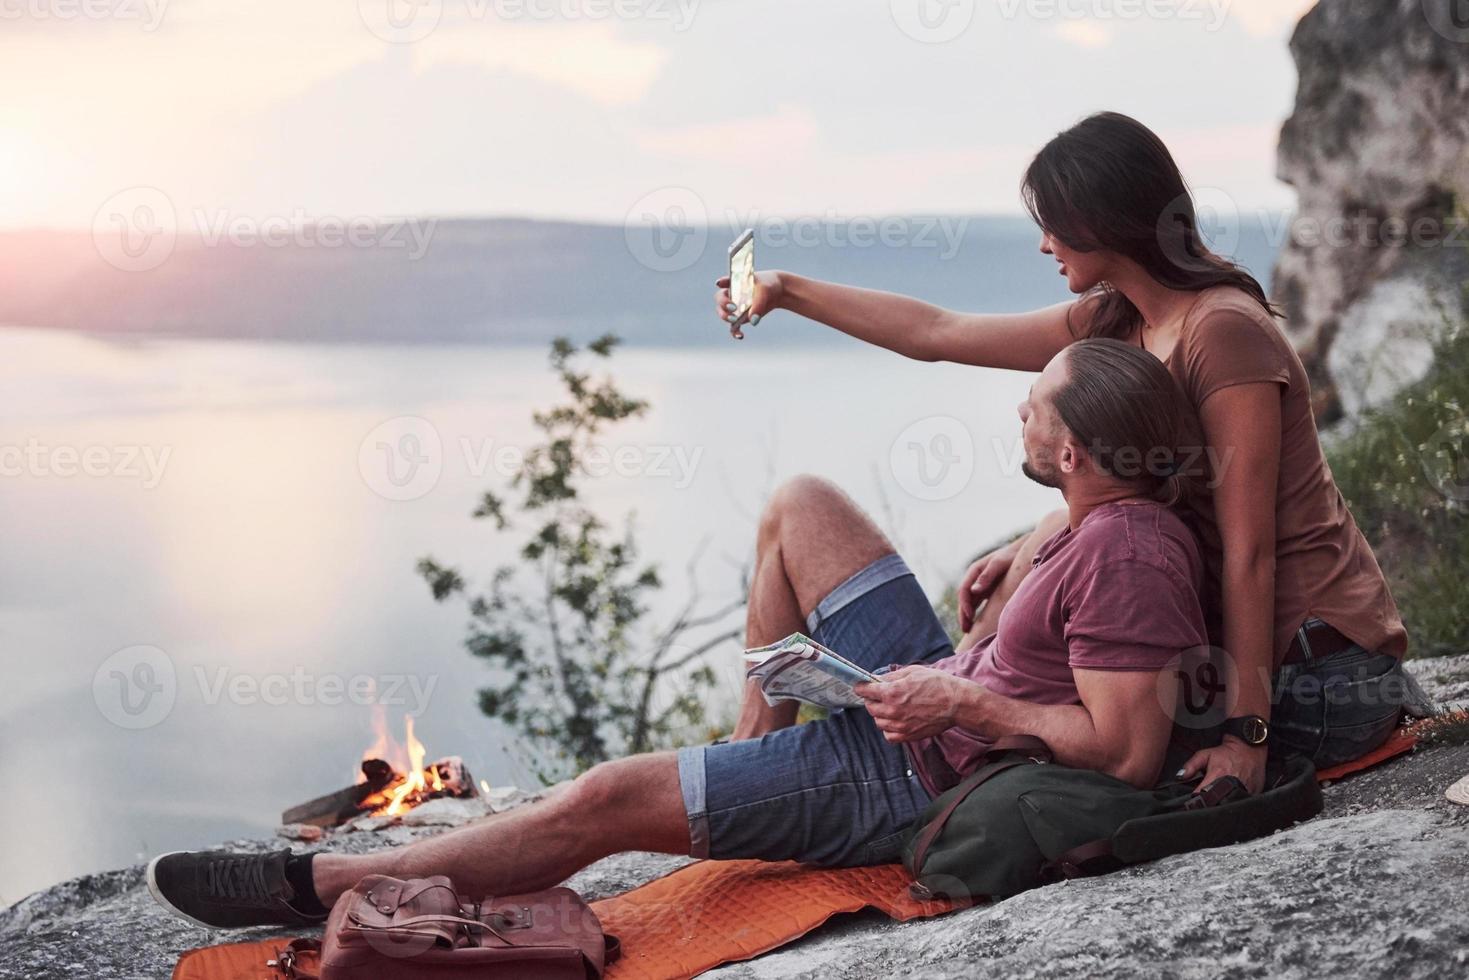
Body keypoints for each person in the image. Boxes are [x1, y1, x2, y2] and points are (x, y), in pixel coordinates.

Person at [148, 339, 1209, 929]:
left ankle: (330, 881)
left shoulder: (1125, 555)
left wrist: (966, 700)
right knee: (800, 501)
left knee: (608, 795)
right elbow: (1083, 573)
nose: (1017, 409)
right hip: (929, 693)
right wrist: (1022, 558)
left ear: (1072, 450)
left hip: (918, 773)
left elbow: (1123, 750)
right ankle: (755, 750)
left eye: (1033, 406)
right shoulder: (1095, 516)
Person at [715, 111, 1415, 793]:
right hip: (1229, 659)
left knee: (1037, 604)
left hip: (1315, 678)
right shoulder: (1121, 319)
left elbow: (1248, 551)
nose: (1044, 245)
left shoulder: (1222, 331)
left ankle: (897, 774)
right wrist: (785, 292)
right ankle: (776, 755)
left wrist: (1245, 737)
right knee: (1035, 546)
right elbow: (939, 332)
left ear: (1099, 222)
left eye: (1051, 225)